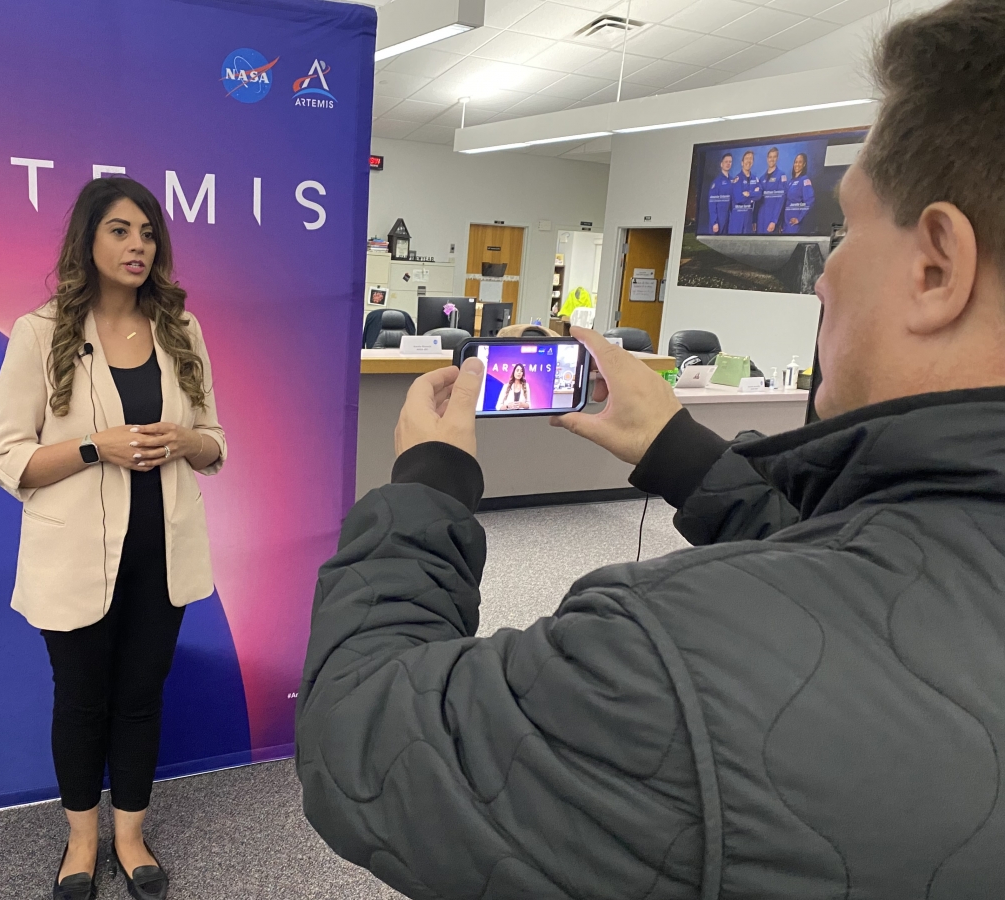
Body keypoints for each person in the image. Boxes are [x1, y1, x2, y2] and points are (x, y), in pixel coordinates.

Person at [295, 1, 1005, 896]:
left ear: (937, 264)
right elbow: (872, 568)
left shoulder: (673, 660)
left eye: (845, 230)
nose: (823, 273)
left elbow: (363, 737)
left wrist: (429, 484)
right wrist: (676, 450)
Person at [0, 177, 226, 900]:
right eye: (120, 230)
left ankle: (130, 834)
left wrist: (189, 439)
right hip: (74, 557)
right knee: (82, 700)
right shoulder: (41, 332)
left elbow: (216, 444)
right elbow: (5, 459)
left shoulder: (182, 331)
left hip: (162, 553)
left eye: (148, 233)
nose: (138, 246)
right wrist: (97, 447)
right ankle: (83, 841)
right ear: (88, 241)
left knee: (142, 697)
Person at [727, 150, 761, 234]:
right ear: (742, 162)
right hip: (737, 218)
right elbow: (739, 198)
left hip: (749, 218)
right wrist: (753, 198)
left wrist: (749, 194)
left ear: (752, 162)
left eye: (751, 159)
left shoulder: (755, 179)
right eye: (746, 158)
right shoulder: (737, 179)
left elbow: (759, 195)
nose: (748, 161)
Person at [757, 146, 788, 234]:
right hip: (761, 218)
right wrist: (754, 220)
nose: (772, 159)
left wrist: (774, 220)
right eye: (770, 157)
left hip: (772, 218)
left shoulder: (781, 175)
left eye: (774, 157)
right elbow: (758, 202)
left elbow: (781, 200)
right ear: (767, 159)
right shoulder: (762, 178)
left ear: (777, 158)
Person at [784, 152, 815, 233]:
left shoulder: (805, 180)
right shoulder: (790, 182)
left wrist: (799, 218)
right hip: (785, 222)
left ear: (804, 164)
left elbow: (810, 201)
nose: (797, 164)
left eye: (800, 162)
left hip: (794, 223)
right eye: (796, 162)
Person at [707, 152, 735, 234]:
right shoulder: (716, 182)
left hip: (728, 219)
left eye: (730, 162)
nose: (728, 164)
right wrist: (714, 222)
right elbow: (712, 204)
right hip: (718, 219)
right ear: (721, 164)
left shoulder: (732, 180)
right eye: (726, 161)